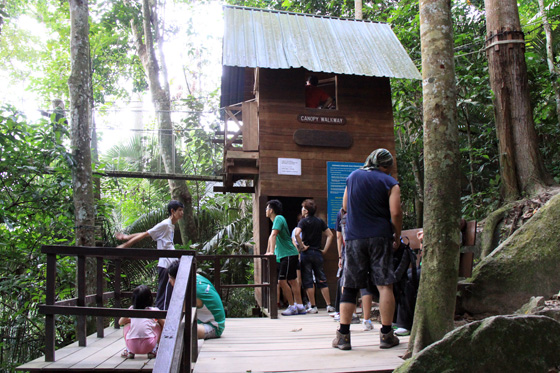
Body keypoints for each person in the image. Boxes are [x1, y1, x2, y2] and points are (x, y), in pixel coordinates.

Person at [332, 148, 402, 350]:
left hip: (355, 238)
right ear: (387, 166)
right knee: (384, 284)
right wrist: (396, 235)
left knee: (351, 285)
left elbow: (344, 206)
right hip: (380, 237)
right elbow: (395, 213)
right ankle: (386, 335)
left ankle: (343, 336)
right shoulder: (390, 182)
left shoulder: (353, 176)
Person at [116, 200, 184, 310]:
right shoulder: (165, 224)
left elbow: (149, 232)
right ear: (172, 211)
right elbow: (145, 234)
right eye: (180, 210)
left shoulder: (171, 225)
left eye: (182, 210)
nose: (182, 213)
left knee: (169, 293)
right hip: (166, 265)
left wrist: (127, 237)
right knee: (164, 295)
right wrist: (126, 245)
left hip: (171, 264)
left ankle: (162, 318)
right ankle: (160, 319)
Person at [265, 199, 306, 316]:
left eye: (267, 208)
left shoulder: (278, 218)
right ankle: (300, 306)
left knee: (282, 281)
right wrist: (268, 251)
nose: (266, 211)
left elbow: (273, 235)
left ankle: (292, 306)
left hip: (288, 254)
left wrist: (271, 253)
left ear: (271, 210)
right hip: (288, 254)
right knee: (292, 281)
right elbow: (271, 237)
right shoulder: (276, 221)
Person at [334, 208, 373, 329]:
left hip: (349, 248)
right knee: (365, 283)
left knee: (347, 282)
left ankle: (351, 315)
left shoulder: (341, 213)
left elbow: (339, 236)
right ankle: (367, 320)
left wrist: (340, 256)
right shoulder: (365, 207)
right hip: (367, 246)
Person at [294, 199, 334, 314]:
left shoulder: (303, 222)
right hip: (317, 252)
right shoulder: (319, 221)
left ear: (306, 211)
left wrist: (301, 246)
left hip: (306, 254)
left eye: (303, 208)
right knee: (321, 279)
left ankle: (313, 306)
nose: (302, 210)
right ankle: (329, 305)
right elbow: (330, 235)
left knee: (308, 280)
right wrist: (325, 250)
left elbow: (296, 234)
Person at [167, 261, 226, 339]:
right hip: (203, 321)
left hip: (213, 327)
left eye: (170, 278)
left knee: (179, 329)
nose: (169, 281)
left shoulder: (191, 290)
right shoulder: (196, 277)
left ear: (178, 278)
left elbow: (182, 315)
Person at [119, 285, 164, 359]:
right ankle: (154, 350)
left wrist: (131, 320)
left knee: (126, 325)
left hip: (132, 345)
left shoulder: (131, 309)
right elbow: (165, 323)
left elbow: (120, 322)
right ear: (149, 299)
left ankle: (129, 350)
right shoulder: (154, 310)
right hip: (149, 345)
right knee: (158, 325)